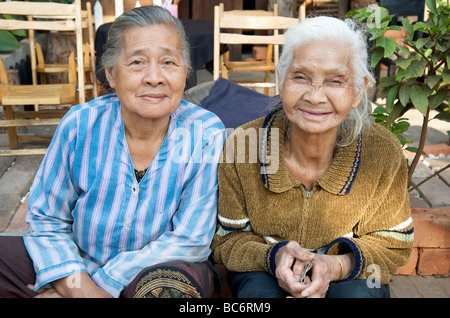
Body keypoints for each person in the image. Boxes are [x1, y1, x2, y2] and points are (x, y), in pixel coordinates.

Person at [0, 5, 225, 298]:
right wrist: (77, 285)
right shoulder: (80, 124)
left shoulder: (206, 133)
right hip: (76, 262)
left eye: (169, 62)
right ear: (111, 74)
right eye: (137, 63)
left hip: (153, 270)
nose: (154, 77)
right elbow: (47, 219)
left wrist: (93, 287)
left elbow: (190, 239)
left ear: (185, 74)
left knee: (168, 290)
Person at [211, 16, 414, 298]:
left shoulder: (381, 151)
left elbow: (393, 244)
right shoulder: (243, 145)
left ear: (358, 91)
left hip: (350, 271)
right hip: (263, 267)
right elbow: (227, 239)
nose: (316, 97)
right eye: (301, 77)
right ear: (280, 80)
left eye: (335, 81)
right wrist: (276, 256)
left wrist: (336, 265)